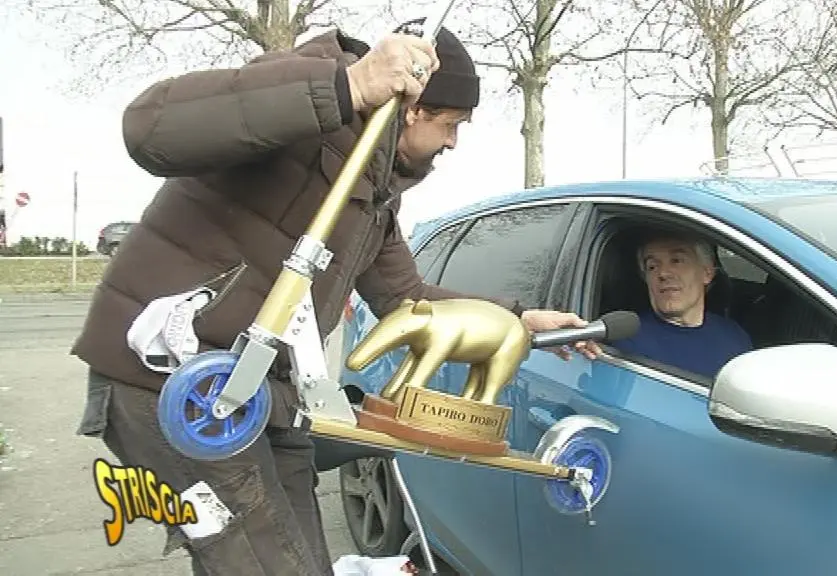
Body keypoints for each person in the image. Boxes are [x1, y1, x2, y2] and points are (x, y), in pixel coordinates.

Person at [72, 24, 598, 576]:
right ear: (414, 109)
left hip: (264, 395)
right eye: (450, 125)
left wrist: (516, 318)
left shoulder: (372, 194)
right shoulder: (311, 91)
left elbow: (406, 299)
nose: (452, 143)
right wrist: (350, 86)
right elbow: (150, 127)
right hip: (172, 381)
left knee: (298, 560)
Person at [612, 233, 752, 379]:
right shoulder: (627, 340)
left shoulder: (734, 335)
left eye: (676, 261)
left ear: (707, 272)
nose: (663, 273)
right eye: (652, 267)